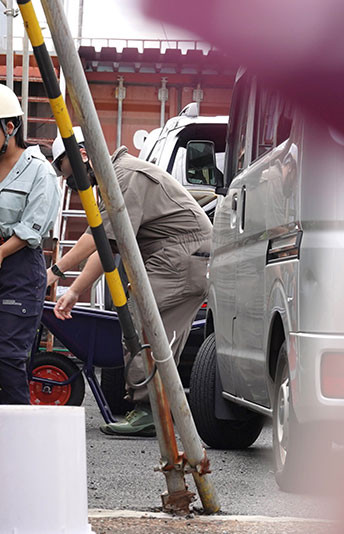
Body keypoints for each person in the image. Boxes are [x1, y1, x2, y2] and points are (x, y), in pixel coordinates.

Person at [47, 127, 212, 436]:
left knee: (138, 319)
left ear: (83, 154)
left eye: (72, 175)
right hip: (182, 255)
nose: (74, 184)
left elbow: (97, 238)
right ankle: (159, 408)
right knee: (156, 331)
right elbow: (110, 245)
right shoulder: (116, 176)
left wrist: (55, 272)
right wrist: (74, 290)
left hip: (181, 255)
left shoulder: (124, 177)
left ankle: (149, 410)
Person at [0, 83, 60, 404]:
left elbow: (34, 225)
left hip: (20, 266)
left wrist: (0, 253)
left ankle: (20, 433)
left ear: (10, 126)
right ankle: (2, 433)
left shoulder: (39, 172)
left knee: (7, 354)